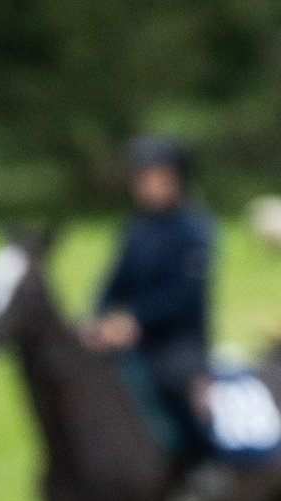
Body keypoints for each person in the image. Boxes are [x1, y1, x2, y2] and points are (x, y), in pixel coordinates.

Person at [83, 137, 215, 461]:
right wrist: (97, 318)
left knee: (175, 385)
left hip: (177, 340)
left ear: (177, 180)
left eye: (156, 177)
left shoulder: (194, 230)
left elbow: (185, 296)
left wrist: (135, 320)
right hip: (131, 337)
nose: (147, 185)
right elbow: (115, 283)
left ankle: (201, 464)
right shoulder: (135, 230)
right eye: (142, 178)